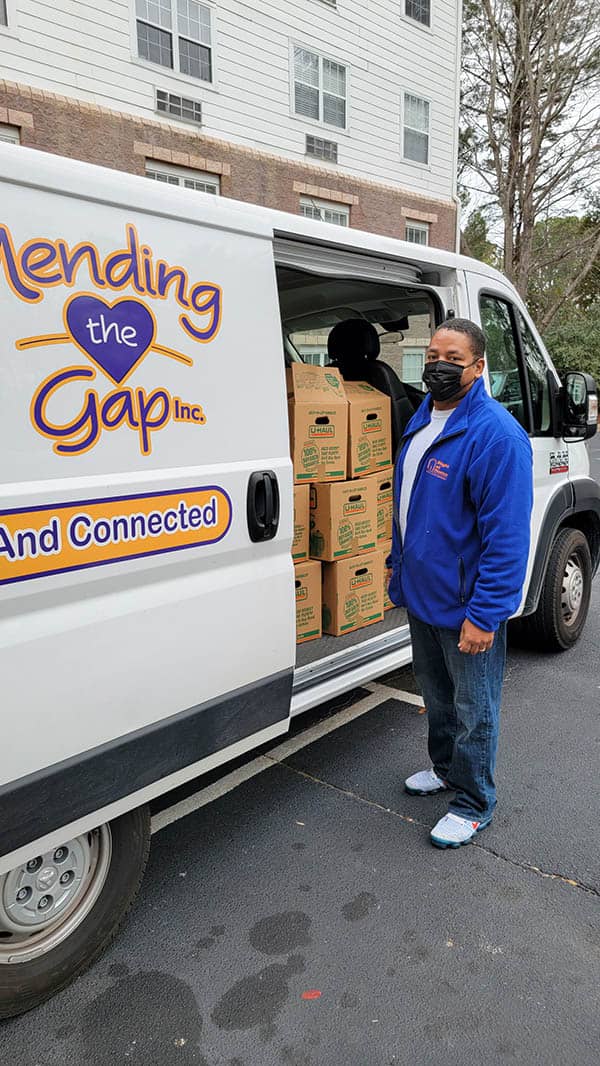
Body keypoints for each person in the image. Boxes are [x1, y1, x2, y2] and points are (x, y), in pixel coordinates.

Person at [388, 317, 533, 848]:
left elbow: (508, 537)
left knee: (476, 709)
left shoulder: (496, 435)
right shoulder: (425, 417)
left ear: (477, 367)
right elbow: (411, 505)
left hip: (466, 605)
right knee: (438, 696)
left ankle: (474, 802)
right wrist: (396, 562)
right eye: (432, 354)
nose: (438, 365)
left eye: (452, 358)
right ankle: (446, 769)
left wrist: (486, 613)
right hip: (424, 596)